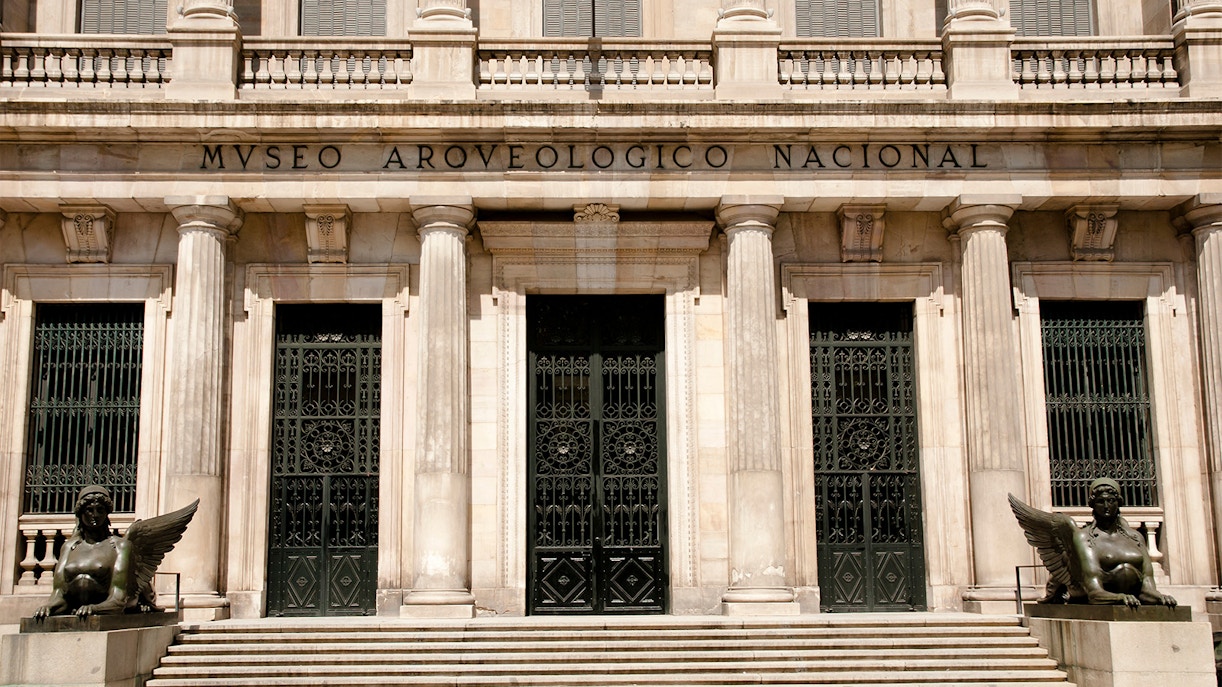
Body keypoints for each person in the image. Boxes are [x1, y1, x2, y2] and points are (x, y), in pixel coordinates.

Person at [1009, 477, 1176, 608]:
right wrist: (1119, 597)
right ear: (1092, 505)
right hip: (1094, 592)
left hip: (1127, 597)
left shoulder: (1135, 537)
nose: (1106, 506)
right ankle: (1054, 591)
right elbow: (1094, 592)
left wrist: (1159, 597)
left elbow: (1147, 586)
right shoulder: (1084, 538)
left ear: (1119, 503)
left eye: (1111, 501)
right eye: (1100, 502)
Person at [34, 485, 135, 618]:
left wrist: (95, 609)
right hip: (80, 610)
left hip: (100, 608)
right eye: (89, 510)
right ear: (80, 514)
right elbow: (59, 593)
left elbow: (118, 598)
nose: (95, 515)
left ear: (107, 513)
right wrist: (49, 607)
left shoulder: (120, 546)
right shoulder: (68, 547)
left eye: (100, 510)